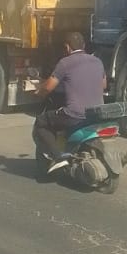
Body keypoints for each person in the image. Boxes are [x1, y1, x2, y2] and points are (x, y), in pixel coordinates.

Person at [33, 31, 106, 174]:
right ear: (84, 45)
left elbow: (48, 87)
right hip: (97, 114)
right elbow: (103, 85)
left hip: (74, 115)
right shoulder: (97, 61)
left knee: (41, 122)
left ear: (67, 47)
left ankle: (58, 156)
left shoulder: (65, 63)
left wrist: (38, 93)